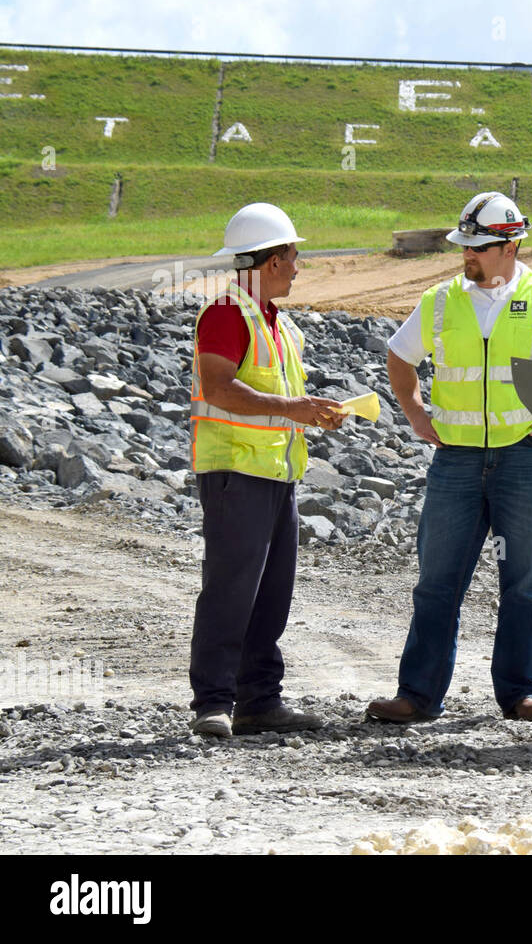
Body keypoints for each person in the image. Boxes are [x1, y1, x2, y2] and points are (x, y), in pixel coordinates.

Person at [368, 192, 532, 724]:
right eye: (464, 245)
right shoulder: (439, 301)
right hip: (455, 461)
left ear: (511, 244)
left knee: (523, 581)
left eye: (477, 246)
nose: (467, 255)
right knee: (437, 581)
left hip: (526, 458)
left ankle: (523, 692)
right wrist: (413, 412)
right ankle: (417, 694)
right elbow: (399, 354)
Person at [189, 202, 346, 738]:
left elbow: (280, 397)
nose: (299, 267)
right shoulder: (226, 314)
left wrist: (312, 411)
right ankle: (213, 701)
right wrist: (291, 409)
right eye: (294, 256)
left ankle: (259, 701)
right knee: (230, 589)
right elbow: (219, 388)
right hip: (235, 473)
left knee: (272, 593)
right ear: (274, 260)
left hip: (277, 475)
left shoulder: (280, 326)